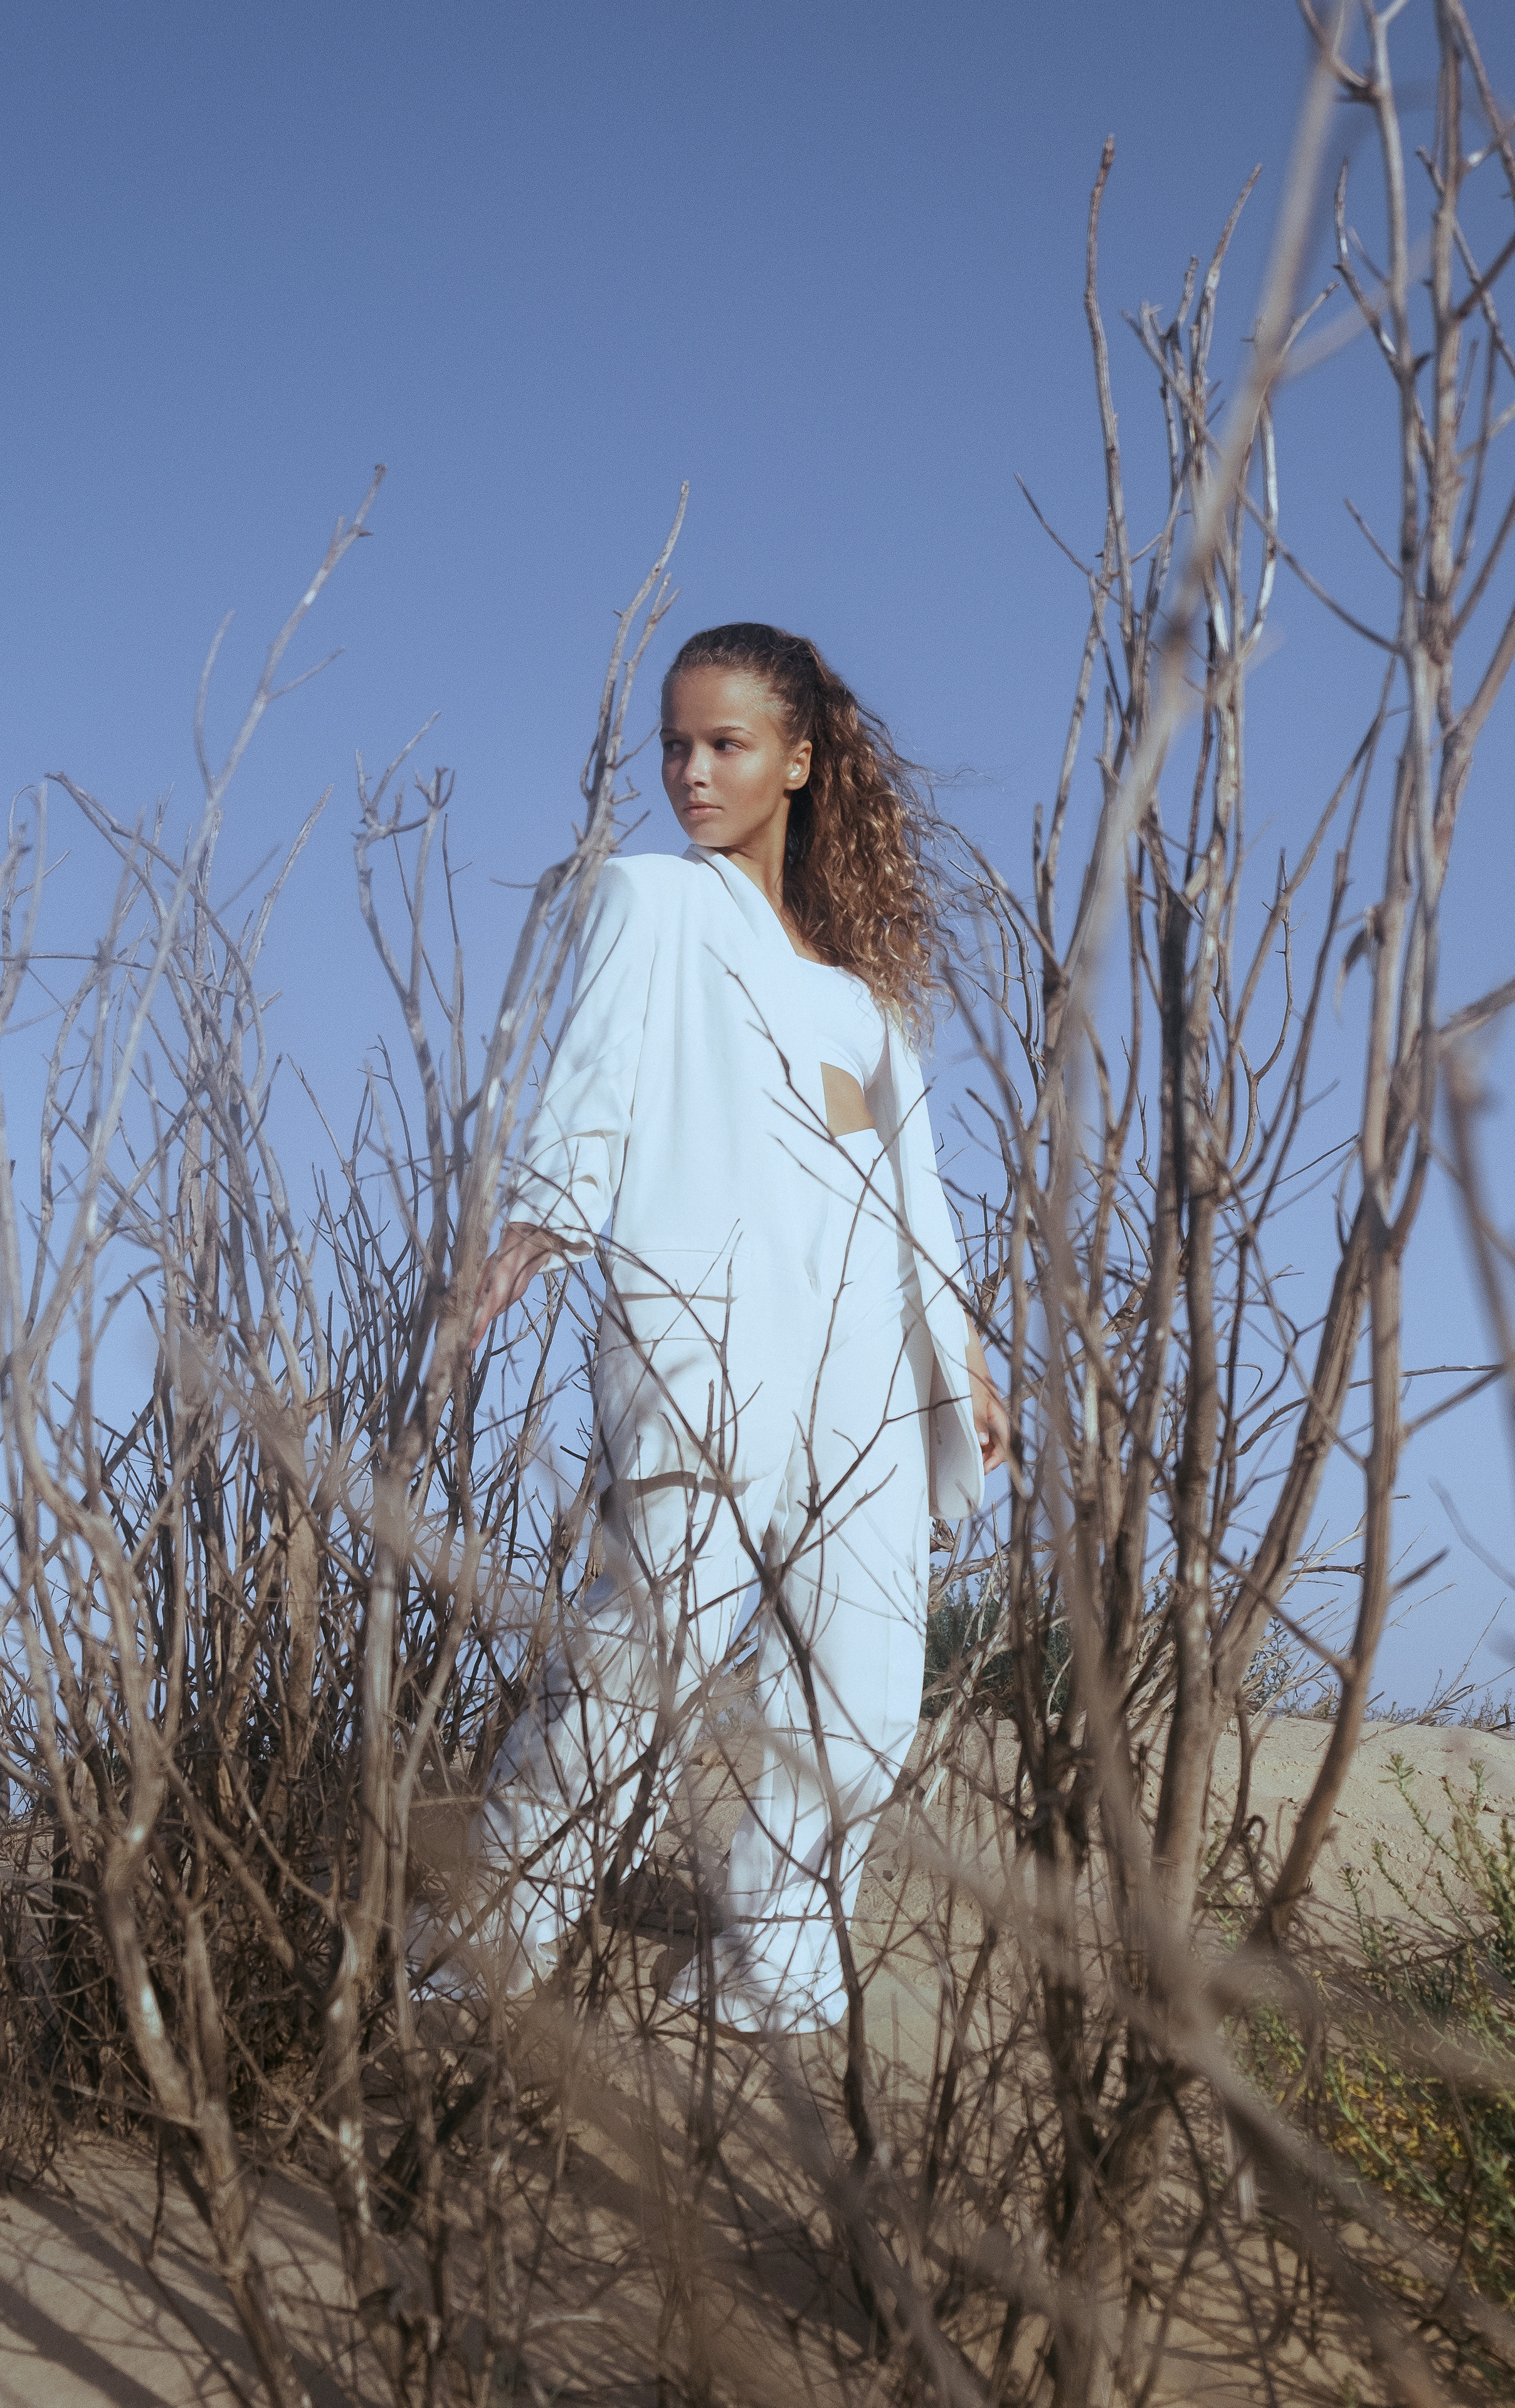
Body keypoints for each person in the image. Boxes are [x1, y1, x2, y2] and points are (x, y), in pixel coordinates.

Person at [416, 622, 1006, 2036]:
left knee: (860, 1682)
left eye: (724, 744)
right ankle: (491, 1949)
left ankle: (773, 1969)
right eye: (674, 744)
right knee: (645, 1650)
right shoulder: (650, 905)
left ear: (797, 762)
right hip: (703, 1329)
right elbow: (594, 1078)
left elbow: (896, 1181)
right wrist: (534, 1230)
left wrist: (965, 1357)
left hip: (864, 1355)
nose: (690, 771)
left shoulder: (860, 996)